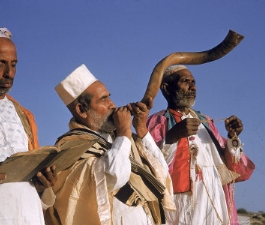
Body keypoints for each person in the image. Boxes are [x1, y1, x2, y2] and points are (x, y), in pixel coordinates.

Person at [44, 64, 176, 225]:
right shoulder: (72, 148)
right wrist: (124, 133)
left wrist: (141, 129)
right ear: (81, 110)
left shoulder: (121, 140)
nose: (112, 104)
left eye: (109, 97)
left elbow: (161, 173)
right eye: (103, 99)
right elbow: (114, 176)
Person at [0, 28, 57, 224]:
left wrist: (43, 184)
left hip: (28, 214)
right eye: (0, 64)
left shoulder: (25, 115)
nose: (9, 73)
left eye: (13, 65)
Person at [146, 65, 255, 225]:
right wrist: (172, 136)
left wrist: (232, 137)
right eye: (185, 81)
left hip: (213, 195)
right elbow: (148, 163)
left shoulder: (207, 122)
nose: (192, 87)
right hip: (180, 200)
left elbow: (230, 166)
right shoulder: (157, 122)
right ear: (167, 88)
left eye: (193, 82)